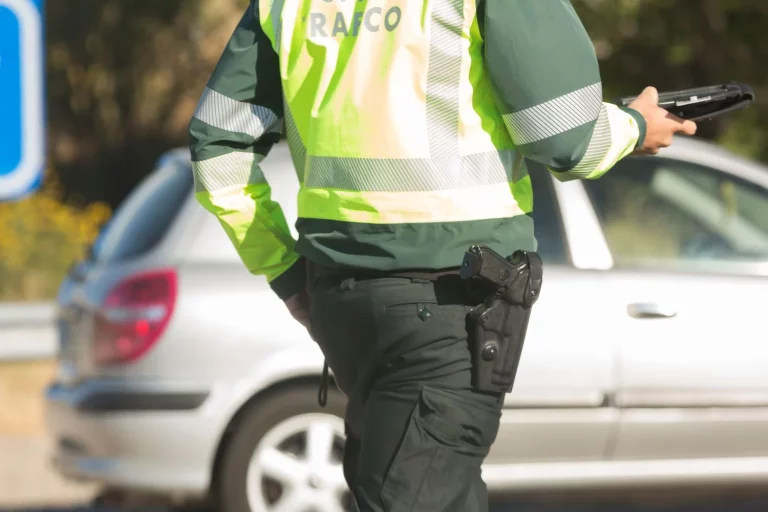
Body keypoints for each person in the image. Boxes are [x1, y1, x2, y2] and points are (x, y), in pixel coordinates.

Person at [188, 1, 697, 510]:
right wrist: (634, 125)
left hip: (343, 298)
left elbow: (217, 148)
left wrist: (283, 267)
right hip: (451, 302)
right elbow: (567, 139)